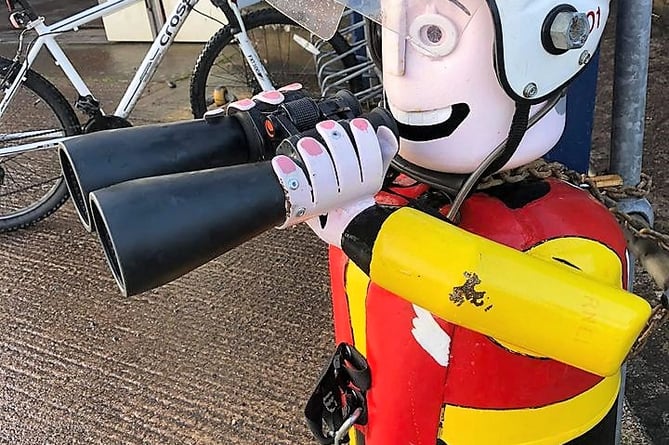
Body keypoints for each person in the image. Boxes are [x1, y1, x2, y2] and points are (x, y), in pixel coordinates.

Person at [233, 0, 650, 443]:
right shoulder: (390, 196)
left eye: (433, 36)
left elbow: (598, 322)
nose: (400, 70)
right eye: (391, 31)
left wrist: (364, 228)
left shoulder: (569, 235)